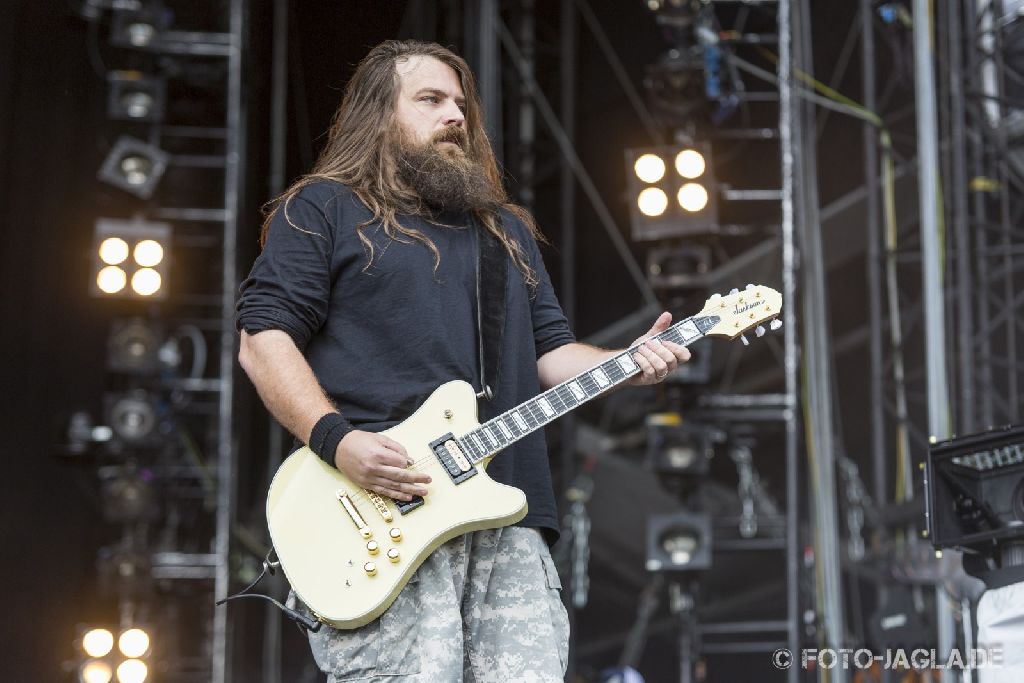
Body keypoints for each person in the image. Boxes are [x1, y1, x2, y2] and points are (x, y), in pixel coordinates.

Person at [236, 39, 690, 683]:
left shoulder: (503, 231)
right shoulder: (324, 209)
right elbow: (263, 341)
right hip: (383, 504)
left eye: (461, 102)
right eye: (430, 99)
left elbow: (551, 354)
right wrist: (338, 442)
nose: (456, 115)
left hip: (508, 512)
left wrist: (627, 360)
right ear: (379, 114)